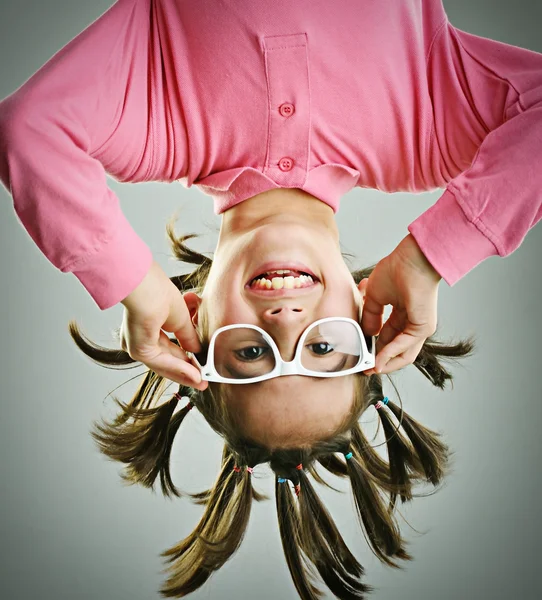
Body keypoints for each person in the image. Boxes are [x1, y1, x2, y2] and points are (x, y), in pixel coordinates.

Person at [0, 0, 540, 597]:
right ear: (369, 319)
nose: (286, 325)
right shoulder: (429, 130)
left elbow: (28, 130)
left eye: (251, 356)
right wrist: (431, 255)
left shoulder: (153, 122)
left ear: (193, 317)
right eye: (325, 348)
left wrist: (132, 282)